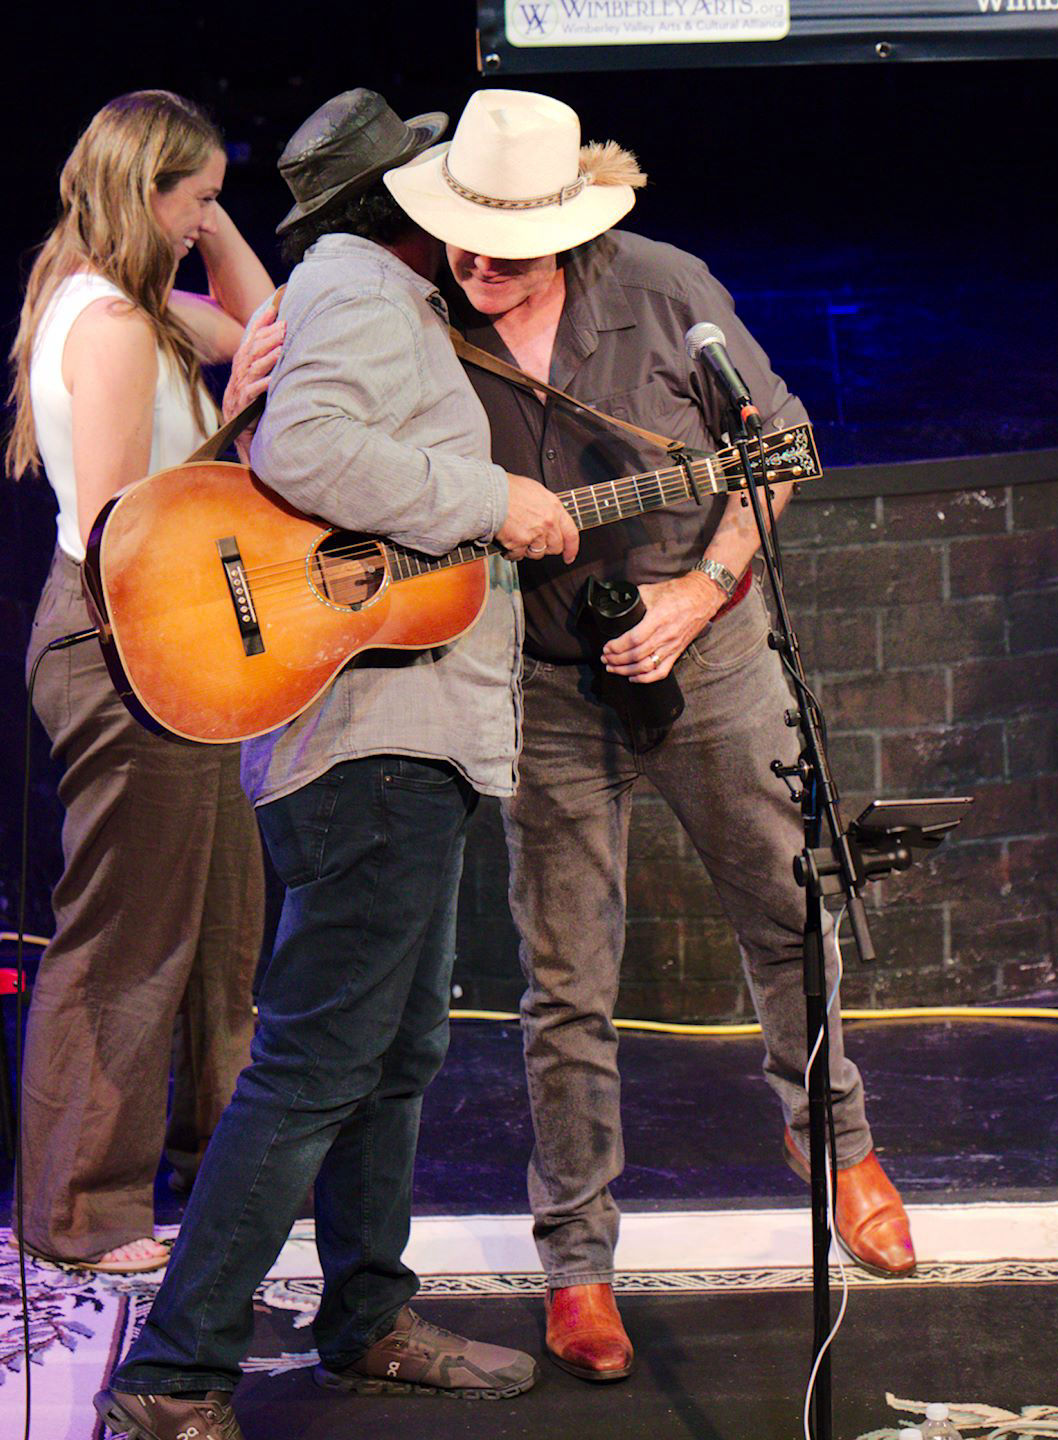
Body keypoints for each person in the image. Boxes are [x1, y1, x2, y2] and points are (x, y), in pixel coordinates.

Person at [381, 89, 916, 1383]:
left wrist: (700, 592)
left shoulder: (667, 289)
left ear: (567, 231)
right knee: (566, 984)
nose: (479, 263)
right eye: (466, 236)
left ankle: (836, 1140)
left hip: (711, 657)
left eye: (509, 245)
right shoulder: (423, 315)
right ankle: (577, 1262)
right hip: (548, 686)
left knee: (787, 910)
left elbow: (781, 449)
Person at [96, 87, 579, 1440]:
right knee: (316, 1061)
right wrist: (492, 499)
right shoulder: (361, 286)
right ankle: (175, 1374)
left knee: (397, 1050)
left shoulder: (384, 297)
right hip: (375, 753)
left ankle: (367, 1315)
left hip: (407, 745)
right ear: (399, 201)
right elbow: (307, 446)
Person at [5, 90, 274, 1275]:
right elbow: (124, 526)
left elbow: (267, 328)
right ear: (140, 190)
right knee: (128, 935)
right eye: (194, 200)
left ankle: (222, 1167)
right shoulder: (112, 323)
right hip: (125, 641)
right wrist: (232, 438)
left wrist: (216, 224)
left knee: (219, 922)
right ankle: (80, 1209)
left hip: (179, 641)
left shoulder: (137, 303)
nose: (204, 221)